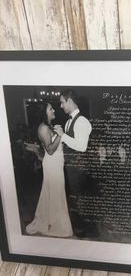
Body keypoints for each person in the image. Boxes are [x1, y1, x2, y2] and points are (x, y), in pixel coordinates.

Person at [25, 101, 73, 237]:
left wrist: (58, 133)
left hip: (56, 164)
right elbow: (50, 150)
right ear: (43, 112)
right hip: (52, 165)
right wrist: (59, 134)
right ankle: (56, 224)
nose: (54, 111)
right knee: (55, 193)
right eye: (51, 109)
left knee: (54, 193)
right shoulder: (43, 128)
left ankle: (52, 220)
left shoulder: (48, 126)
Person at [54, 89, 92, 234]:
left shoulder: (82, 121)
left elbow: (82, 147)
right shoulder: (70, 121)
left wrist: (63, 135)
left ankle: (87, 230)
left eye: (62, 102)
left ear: (70, 101)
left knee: (80, 198)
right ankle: (79, 227)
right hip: (71, 168)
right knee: (75, 198)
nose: (61, 106)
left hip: (78, 169)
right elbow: (70, 142)